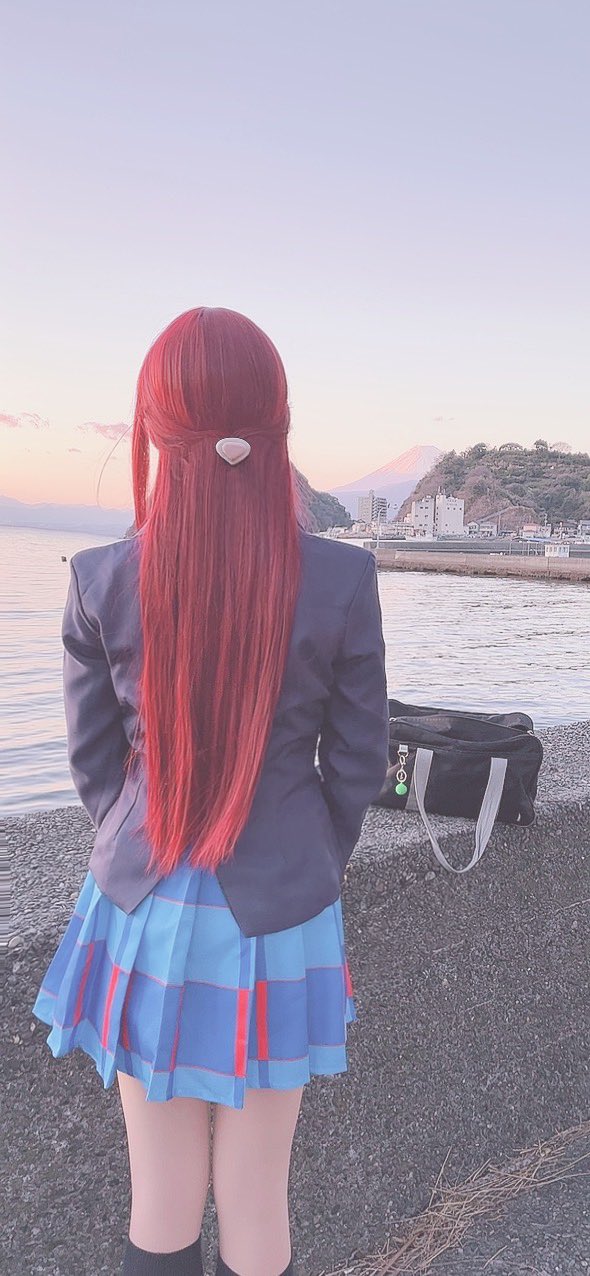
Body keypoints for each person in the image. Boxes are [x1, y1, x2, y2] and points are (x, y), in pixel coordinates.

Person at [32, 307, 390, 1276]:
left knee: (160, 1193)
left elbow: (94, 763)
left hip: (142, 901)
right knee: (258, 1192)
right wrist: (306, 853)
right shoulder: (341, 576)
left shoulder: (101, 575)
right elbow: (359, 762)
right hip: (281, 910)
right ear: (276, 422)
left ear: (155, 427)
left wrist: (135, 835)